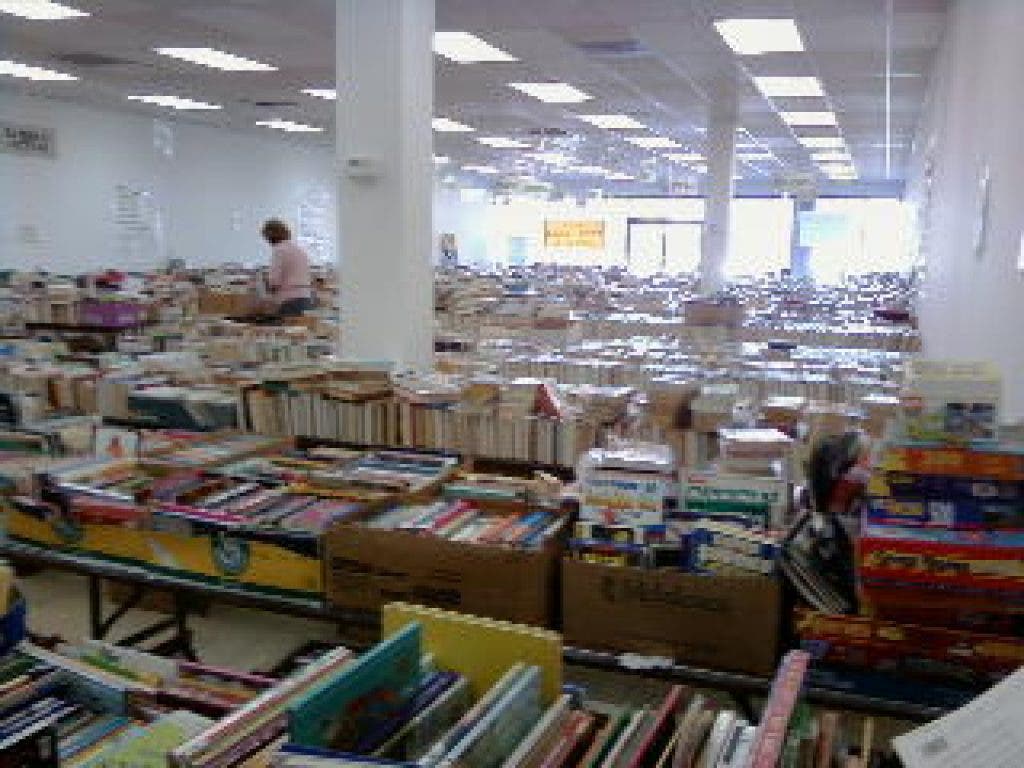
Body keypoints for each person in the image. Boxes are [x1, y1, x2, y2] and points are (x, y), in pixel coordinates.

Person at [261, 218, 313, 318]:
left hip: (288, 300)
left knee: (286, 327)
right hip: (306, 297)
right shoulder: (299, 250)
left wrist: (264, 285)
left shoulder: (279, 250)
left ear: (270, 235)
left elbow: (274, 281)